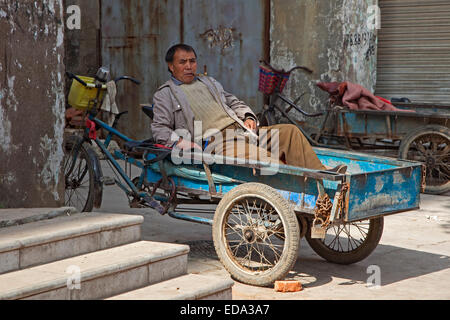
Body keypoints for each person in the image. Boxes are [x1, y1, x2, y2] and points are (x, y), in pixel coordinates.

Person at [151, 43, 343, 173]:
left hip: (242, 133)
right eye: (182, 62)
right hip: (217, 143)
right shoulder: (165, 94)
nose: (189, 66)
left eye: (192, 61)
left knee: (290, 133)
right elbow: (160, 129)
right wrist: (182, 143)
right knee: (266, 160)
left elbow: (235, 103)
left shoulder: (208, 82)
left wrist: (249, 117)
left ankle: (325, 179)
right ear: (171, 66)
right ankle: (301, 194)